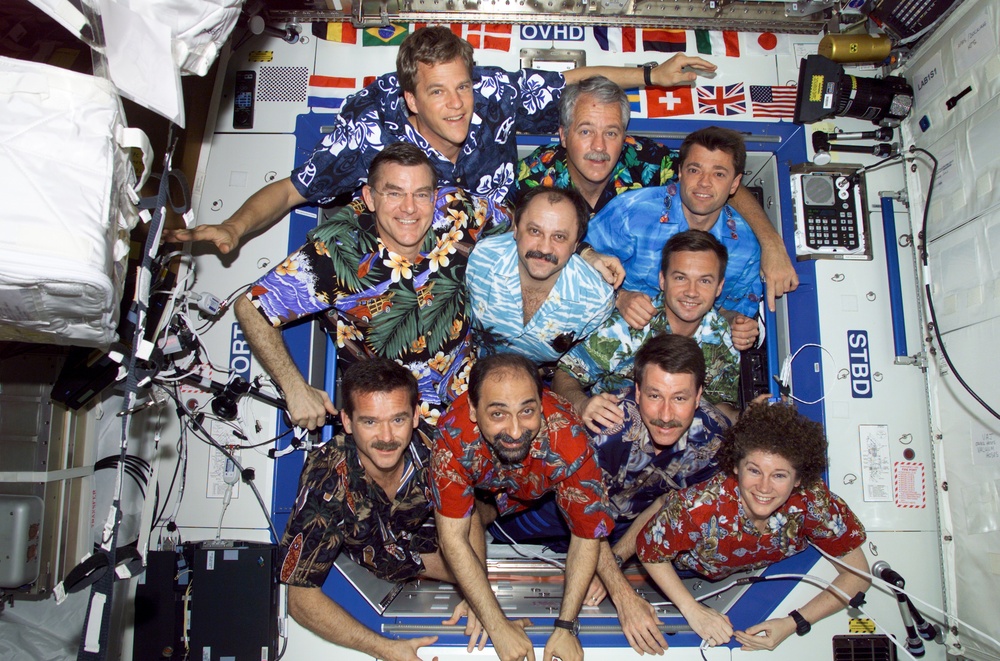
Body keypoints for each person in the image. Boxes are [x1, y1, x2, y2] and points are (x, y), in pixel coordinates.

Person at [164, 27, 715, 255]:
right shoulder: (371, 137)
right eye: (438, 93)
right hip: (416, 250)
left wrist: (649, 76)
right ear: (411, 99)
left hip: (489, 240)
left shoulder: (491, 92)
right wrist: (235, 227)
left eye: (461, 87)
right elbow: (290, 190)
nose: (457, 104)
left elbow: (570, 85)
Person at [234, 143, 509, 429]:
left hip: (470, 385)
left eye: (421, 194)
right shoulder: (335, 254)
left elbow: (520, 230)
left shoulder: (458, 212)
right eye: (394, 193)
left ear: (435, 195)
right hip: (390, 412)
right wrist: (294, 389)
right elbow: (250, 308)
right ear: (370, 197)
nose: (409, 208)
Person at [497, 334, 730, 655]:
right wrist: (623, 597)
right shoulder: (604, 433)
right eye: (653, 395)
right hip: (550, 507)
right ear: (636, 391)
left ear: (700, 395)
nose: (665, 414)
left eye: (680, 398)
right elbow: (581, 515)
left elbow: (667, 504)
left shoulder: (713, 437)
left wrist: (615, 561)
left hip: (623, 519)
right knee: (504, 534)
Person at [515, 76, 798, 317]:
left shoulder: (649, 161)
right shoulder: (535, 175)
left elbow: (709, 184)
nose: (599, 146)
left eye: (611, 132)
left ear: (624, 135)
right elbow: (509, 240)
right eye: (586, 130)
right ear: (564, 136)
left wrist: (772, 243)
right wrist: (584, 254)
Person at [637, 402, 871, 651]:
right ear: (736, 467)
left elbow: (858, 575)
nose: (764, 487)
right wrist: (691, 609)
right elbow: (649, 551)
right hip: (689, 567)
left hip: (750, 568)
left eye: (779, 475)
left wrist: (793, 623)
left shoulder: (812, 502)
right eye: (754, 470)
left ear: (799, 479)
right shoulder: (699, 508)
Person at [432, 353, 614, 661]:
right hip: (488, 488)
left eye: (527, 411)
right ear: (474, 410)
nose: (515, 431)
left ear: (541, 405)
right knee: (469, 515)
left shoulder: (568, 440)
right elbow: (453, 538)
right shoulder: (454, 434)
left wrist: (566, 626)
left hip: (540, 492)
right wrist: (497, 624)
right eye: (498, 414)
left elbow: (586, 536)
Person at [279, 357, 464, 660]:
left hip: (453, 541)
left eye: (398, 419)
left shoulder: (441, 451)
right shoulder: (328, 474)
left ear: (416, 416)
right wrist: (386, 649)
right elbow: (300, 599)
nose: (387, 437)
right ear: (348, 422)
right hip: (399, 563)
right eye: (370, 422)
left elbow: (476, 515)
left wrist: (475, 591)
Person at [582, 125, 766, 350]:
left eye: (718, 174)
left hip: (682, 358)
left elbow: (731, 310)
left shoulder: (745, 248)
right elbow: (577, 260)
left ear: (735, 183)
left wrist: (737, 325)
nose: (704, 183)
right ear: (680, 172)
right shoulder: (632, 214)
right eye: (694, 170)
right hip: (606, 340)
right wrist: (619, 297)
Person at [554, 230, 740, 430]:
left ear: (719, 287)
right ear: (662, 280)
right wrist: (583, 405)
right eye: (680, 278)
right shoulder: (628, 327)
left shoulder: (724, 340)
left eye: (704, 281)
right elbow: (563, 376)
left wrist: (744, 417)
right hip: (614, 428)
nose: (691, 292)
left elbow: (718, 405)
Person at [466, 186, 614, 368]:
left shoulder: (596, 301)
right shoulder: (480, 260)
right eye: (535, 231)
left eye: (559, 237)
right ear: (516, 230)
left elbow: (574, 368)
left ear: (576, 244)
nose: (544, 248)